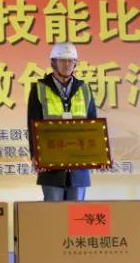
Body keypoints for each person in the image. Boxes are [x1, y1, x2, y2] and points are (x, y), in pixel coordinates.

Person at [27, 42, 97, 201]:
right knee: (54, 213)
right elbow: (32, 125)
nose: (67, 64)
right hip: (51, 164)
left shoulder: (84, 89)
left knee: (77, 213)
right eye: (63, 60)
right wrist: (35, 155)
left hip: (79, 167)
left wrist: (103, 154)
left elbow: (94, 126)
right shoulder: (39, 88)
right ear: (54, 62)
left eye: (71, 60)